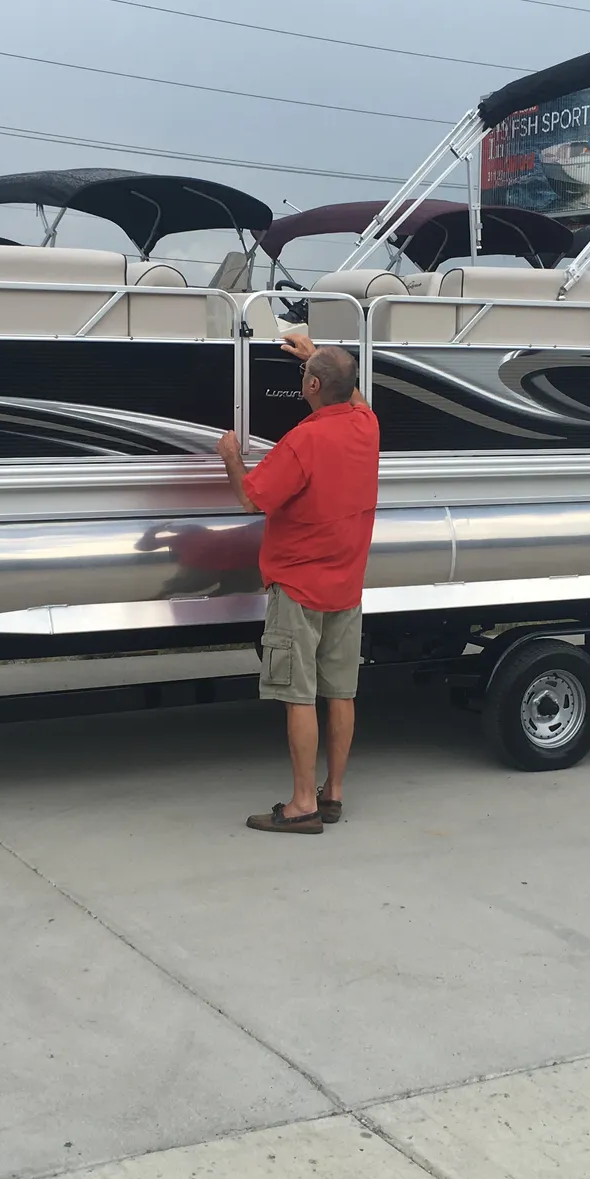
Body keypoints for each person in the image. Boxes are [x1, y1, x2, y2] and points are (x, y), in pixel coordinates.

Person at [215, 331, 379, 835]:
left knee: (299, 696)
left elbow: (251, 498)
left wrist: (228, 454)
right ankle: (333, 793)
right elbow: (355, 396)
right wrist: (318, 356)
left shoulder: (303, 440)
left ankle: (302, 805)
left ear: (310, 385)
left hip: (298, 587)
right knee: (341, 692)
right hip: (346, 585)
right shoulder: (365, 425)